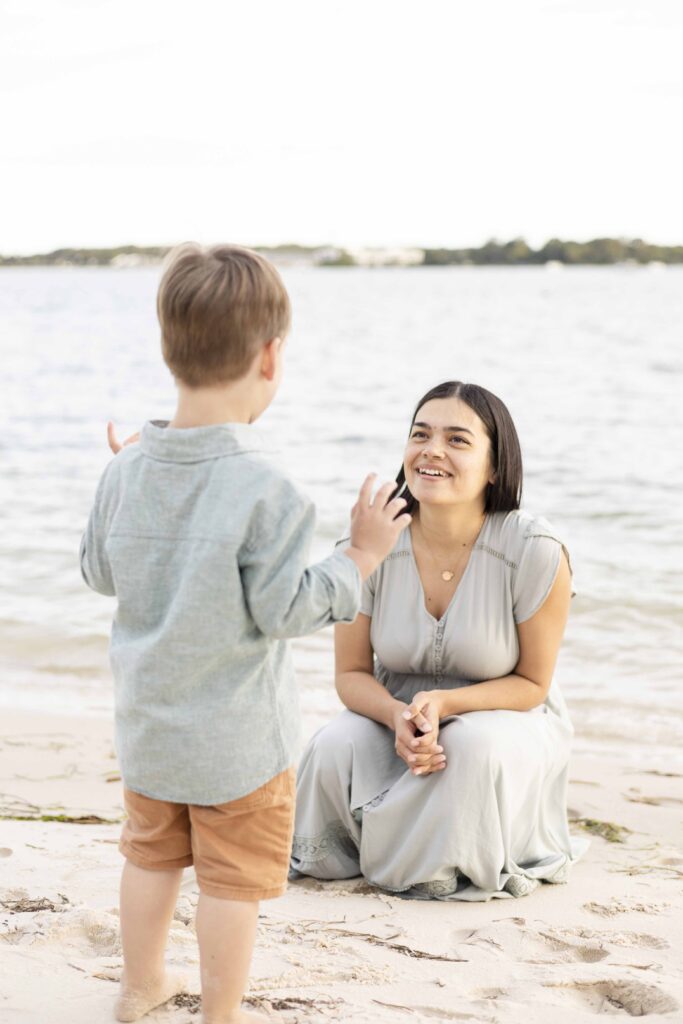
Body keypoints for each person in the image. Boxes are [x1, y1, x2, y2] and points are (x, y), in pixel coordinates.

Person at [80, 242, 411, 1024]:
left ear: (169, 352)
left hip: (149, 730)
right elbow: (285, 609)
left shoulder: (125, 470)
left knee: (151, 857)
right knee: (229, 882)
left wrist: (128, 481)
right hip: (239, 745)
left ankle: (139, 987)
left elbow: (100, 572)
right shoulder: (269, 485)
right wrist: (358, 554)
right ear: (270, 358)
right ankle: (220, 1013)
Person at [290, 380, 587, 901]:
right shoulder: (369, 543)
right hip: (395, 712)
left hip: (508, 719)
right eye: (420, 434)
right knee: (334, 746)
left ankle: (433, 864)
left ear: (495, 466)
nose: (431, 450)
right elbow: (351, 674)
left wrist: (447, 703)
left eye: (457, 440)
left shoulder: (535, 550)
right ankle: (354, 856)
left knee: (466, 745)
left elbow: (533, 684)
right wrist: (395, 716)